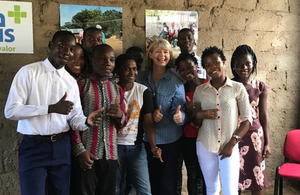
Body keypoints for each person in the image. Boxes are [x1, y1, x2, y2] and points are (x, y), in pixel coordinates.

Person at [4, 30, 103, 195]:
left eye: (71, 49)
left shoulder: (70, 82)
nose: (66, 51)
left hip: (61, 146)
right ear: (51, 45)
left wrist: (87, 121)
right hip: (34, 146)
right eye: (62, 45)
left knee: (61, 192)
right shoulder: (28, 73)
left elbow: (74, 118)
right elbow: (11, 111)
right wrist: (50, 108)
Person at [192, 46, 252, 195]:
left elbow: (246, 120)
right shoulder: (200, 90)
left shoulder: (237, 88)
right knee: (211, 189)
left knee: (230, 191)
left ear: (224, 62)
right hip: (205, 145)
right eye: (207, 65)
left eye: (216, 62)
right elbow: (196, 122)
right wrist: (199, 115)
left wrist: (232, 143)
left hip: (228, 146)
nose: (212, 67)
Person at [71, 44, 127, 195]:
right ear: (92, 60)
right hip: (87, 155)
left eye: (111, 60)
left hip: (110, 155)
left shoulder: (117, 89)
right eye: (102, 59)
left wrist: (120, 115)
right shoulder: (81, 86)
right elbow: (72, 121)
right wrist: (80, 151)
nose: (107, 63)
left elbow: (122, 123)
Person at [136, 38, 186, 195]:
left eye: (166, 52)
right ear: (150, 54)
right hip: (145, 140)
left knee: (167, 185)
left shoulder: (176, 81)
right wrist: (149, 115)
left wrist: (180, 117)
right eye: (157, 51)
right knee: (149, 184)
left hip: (170, 141)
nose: (162, 55)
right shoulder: (140, 78)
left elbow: (181, 109)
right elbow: (133, 107)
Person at [115, 54, 161, 195]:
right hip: (115, 147)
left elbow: (147, 122)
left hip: (136, 147)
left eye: (134, 69)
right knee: (116, 189)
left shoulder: (142, 91)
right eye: (127, 69)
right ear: (118, 70)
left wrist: (154, 146)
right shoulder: (111, 89)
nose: (132, 73)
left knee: (144, 190)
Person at [231, 44, 271, 195]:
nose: (244, 68)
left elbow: (264, 116)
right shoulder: (229, 85)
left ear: (253, 63)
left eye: (248, 64)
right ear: (234, 65)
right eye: (240, 64)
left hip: (255, 138)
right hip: (234, 136)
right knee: (235, 176)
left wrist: (267, 142)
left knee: (257, 178)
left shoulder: (260, 86)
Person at [175, 53, 206, 195]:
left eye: (189, 67)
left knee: (206, 175)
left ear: (196, 66)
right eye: (182, 69)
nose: (186, 71)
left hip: (207, 138)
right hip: (189, 139)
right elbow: (180, 119)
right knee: (192, 175)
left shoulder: (208, 85)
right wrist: (187, 111)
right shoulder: (181, 90)